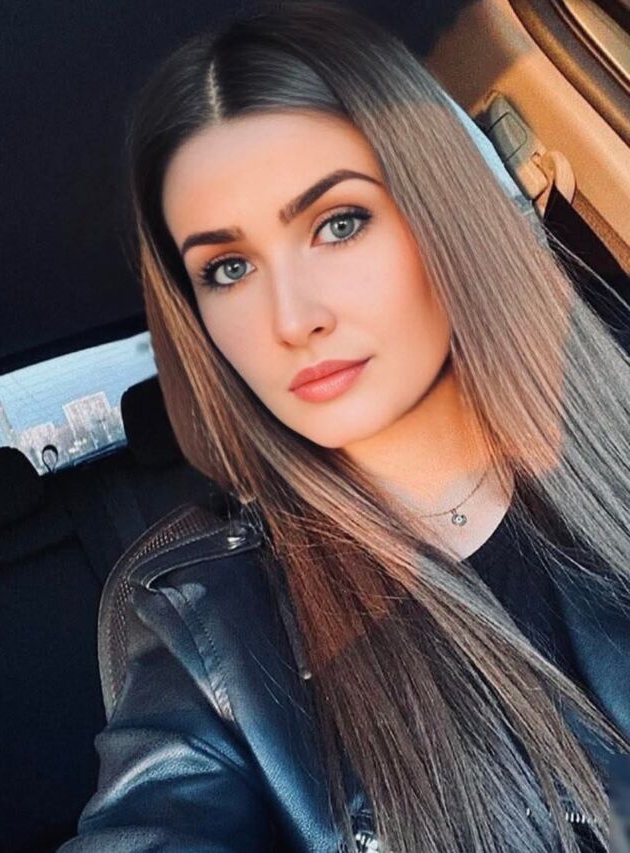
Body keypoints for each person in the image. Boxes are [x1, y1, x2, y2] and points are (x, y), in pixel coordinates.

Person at [57, 2, 630, 851]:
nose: (292, 319)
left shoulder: (608, 439)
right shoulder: (210, 638)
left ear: (442, 211)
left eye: (339, 223)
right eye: (228, 268)